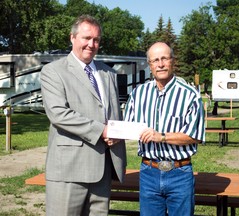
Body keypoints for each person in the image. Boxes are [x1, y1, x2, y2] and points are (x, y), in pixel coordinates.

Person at [41, 15, 126, 216]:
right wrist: (102, 130)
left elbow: (114, 113)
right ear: (72, 38)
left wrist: (118, 131)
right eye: (86, 38)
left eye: (96, 40)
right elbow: (58, 114)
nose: (91, 44)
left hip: (104, 170)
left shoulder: (108, 73)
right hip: (69, 171)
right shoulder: (53, 71)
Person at [124, 42, 205, 216]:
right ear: (150, 65)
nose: (160, 64)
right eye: (155, 60)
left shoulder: (190, 95)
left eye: (164, 59)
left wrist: (160, 136)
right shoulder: (138, 94)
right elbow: (127, 127)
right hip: (148, 171)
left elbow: (195, 135)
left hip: (180, 173)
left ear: (173, 61)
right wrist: (109, 133)